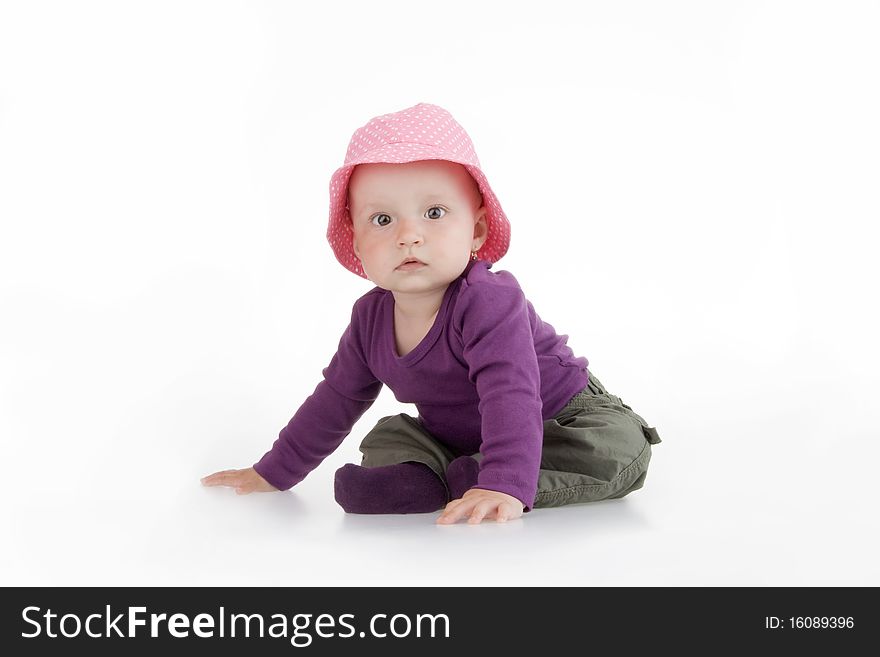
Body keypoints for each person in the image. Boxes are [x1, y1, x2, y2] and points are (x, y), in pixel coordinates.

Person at [201, 102, 662, 524]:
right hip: (462, 436)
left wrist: (502, 482)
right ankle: (426, 479)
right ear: (358, 243)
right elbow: (334, 401)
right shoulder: (370, 320)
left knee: (617, 450)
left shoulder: (488, 300)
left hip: (560, 418)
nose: (409, 236)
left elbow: (511, 394)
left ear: (477, 229)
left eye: (435, 213)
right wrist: (273, 472)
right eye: (383, 220)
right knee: (393, 434)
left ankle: (494, 480)